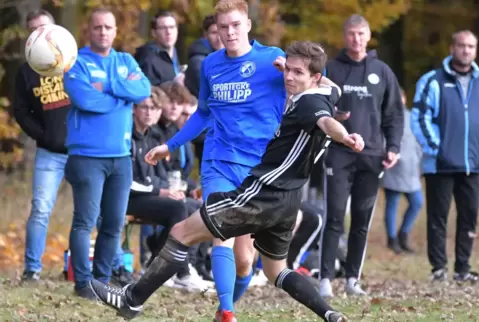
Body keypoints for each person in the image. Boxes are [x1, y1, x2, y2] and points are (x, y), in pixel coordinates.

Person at [88, 40, 360, 322]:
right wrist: (297, 70)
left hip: (261, 192)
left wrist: (346, 137)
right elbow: (330, 88)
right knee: (276, 271)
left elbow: (327, 123)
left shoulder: (310, 102)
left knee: (182, 232)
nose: (288, 77)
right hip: (289, 199)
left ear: (314, 77)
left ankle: (131, 300)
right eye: (287, 69)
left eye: (298, 73)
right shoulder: (328, 91)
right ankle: (329, 314)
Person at [138, 1, 287, 320]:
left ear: (248, 25)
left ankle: (224, 309)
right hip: (219, 161)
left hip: (258, 168)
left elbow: (315, 79)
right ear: (215, 30)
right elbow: (203, 113)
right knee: (222, 232)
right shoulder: (210, 65)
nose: (229, 32)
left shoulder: (272, 59)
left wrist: (299, 80)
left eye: (235, 25)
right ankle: (229, 312)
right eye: (223, 27)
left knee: (245, 260)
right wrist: (170, 144)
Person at [63, 8, 151, 299]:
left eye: (108, 27)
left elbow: (142, 90)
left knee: (113, 223)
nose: (103, 32)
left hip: (121, 157)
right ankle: (83, 283)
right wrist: (121, 98)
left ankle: (101, 281)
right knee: (85, 222)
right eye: (98, 27)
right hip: (87, 157)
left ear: (115, 31)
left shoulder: (125, 60)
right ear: (89, 30)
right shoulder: (77, 64)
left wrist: (111, 86)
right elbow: (86, 100)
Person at [319, 14, 404, 297]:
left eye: (361, 34)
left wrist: (393, 147)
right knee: (334, 217)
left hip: (372, 156)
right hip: (339, 154)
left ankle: (353, 279)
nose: (356, 39)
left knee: (361, 219)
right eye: (351, 34)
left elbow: (393, 114)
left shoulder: (382, 71)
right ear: (345, 37)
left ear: (368, 37)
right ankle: (325, 280)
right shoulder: (331, 68)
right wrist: (334, 115)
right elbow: (318, 107)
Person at [411, 30, 479, 282]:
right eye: (461, 45)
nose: (466, 50)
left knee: (469, 217)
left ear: (475, 50)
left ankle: (463, 268)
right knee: (437, 219)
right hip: (439, 164)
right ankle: (438, 268)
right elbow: (419, 116)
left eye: (471, 46)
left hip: (473, 166)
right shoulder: (433, 80)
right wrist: (437, 149)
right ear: (452, 48)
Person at [128, 87, 212, 291]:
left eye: (154, 108)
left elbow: (161, 175)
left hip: (150, 194)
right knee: (177, 208)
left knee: (199, 209)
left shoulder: (152, 136)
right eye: (145, 107)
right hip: (131, 197)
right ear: (135, 110)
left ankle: (162, 264)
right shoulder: (128, 135)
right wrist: (161, 191)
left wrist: (172, 189)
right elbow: (127, 180)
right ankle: (180, 271)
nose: (149, 112)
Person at [13, 9, 70, 282]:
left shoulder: (72, 59)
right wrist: (43, 136)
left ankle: (89, 268)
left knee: (91, 211)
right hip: (49, 153)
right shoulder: (26, 72)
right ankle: (32, 269)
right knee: (40, 209)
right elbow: (21, 112)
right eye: (34, 30)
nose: (40, 34)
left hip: (83, 151)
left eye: (44, 28)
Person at [382, 88, 422, 254]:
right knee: (392, 203)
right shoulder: (385, 117)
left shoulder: (413, 116)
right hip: (394, 166)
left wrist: (419, 160)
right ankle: (392, 239)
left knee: (417, 202)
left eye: (402, 98)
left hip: (412, 169)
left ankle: (403, 234)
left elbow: (418, 140)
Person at [134, 10, 184, 86]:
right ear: (154, 33)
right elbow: (148, 92)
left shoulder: (173, 52)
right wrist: (174, 85)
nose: (168, 32)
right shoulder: (147, 58)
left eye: (172, 27)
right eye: (163, 28)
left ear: (177, 30)